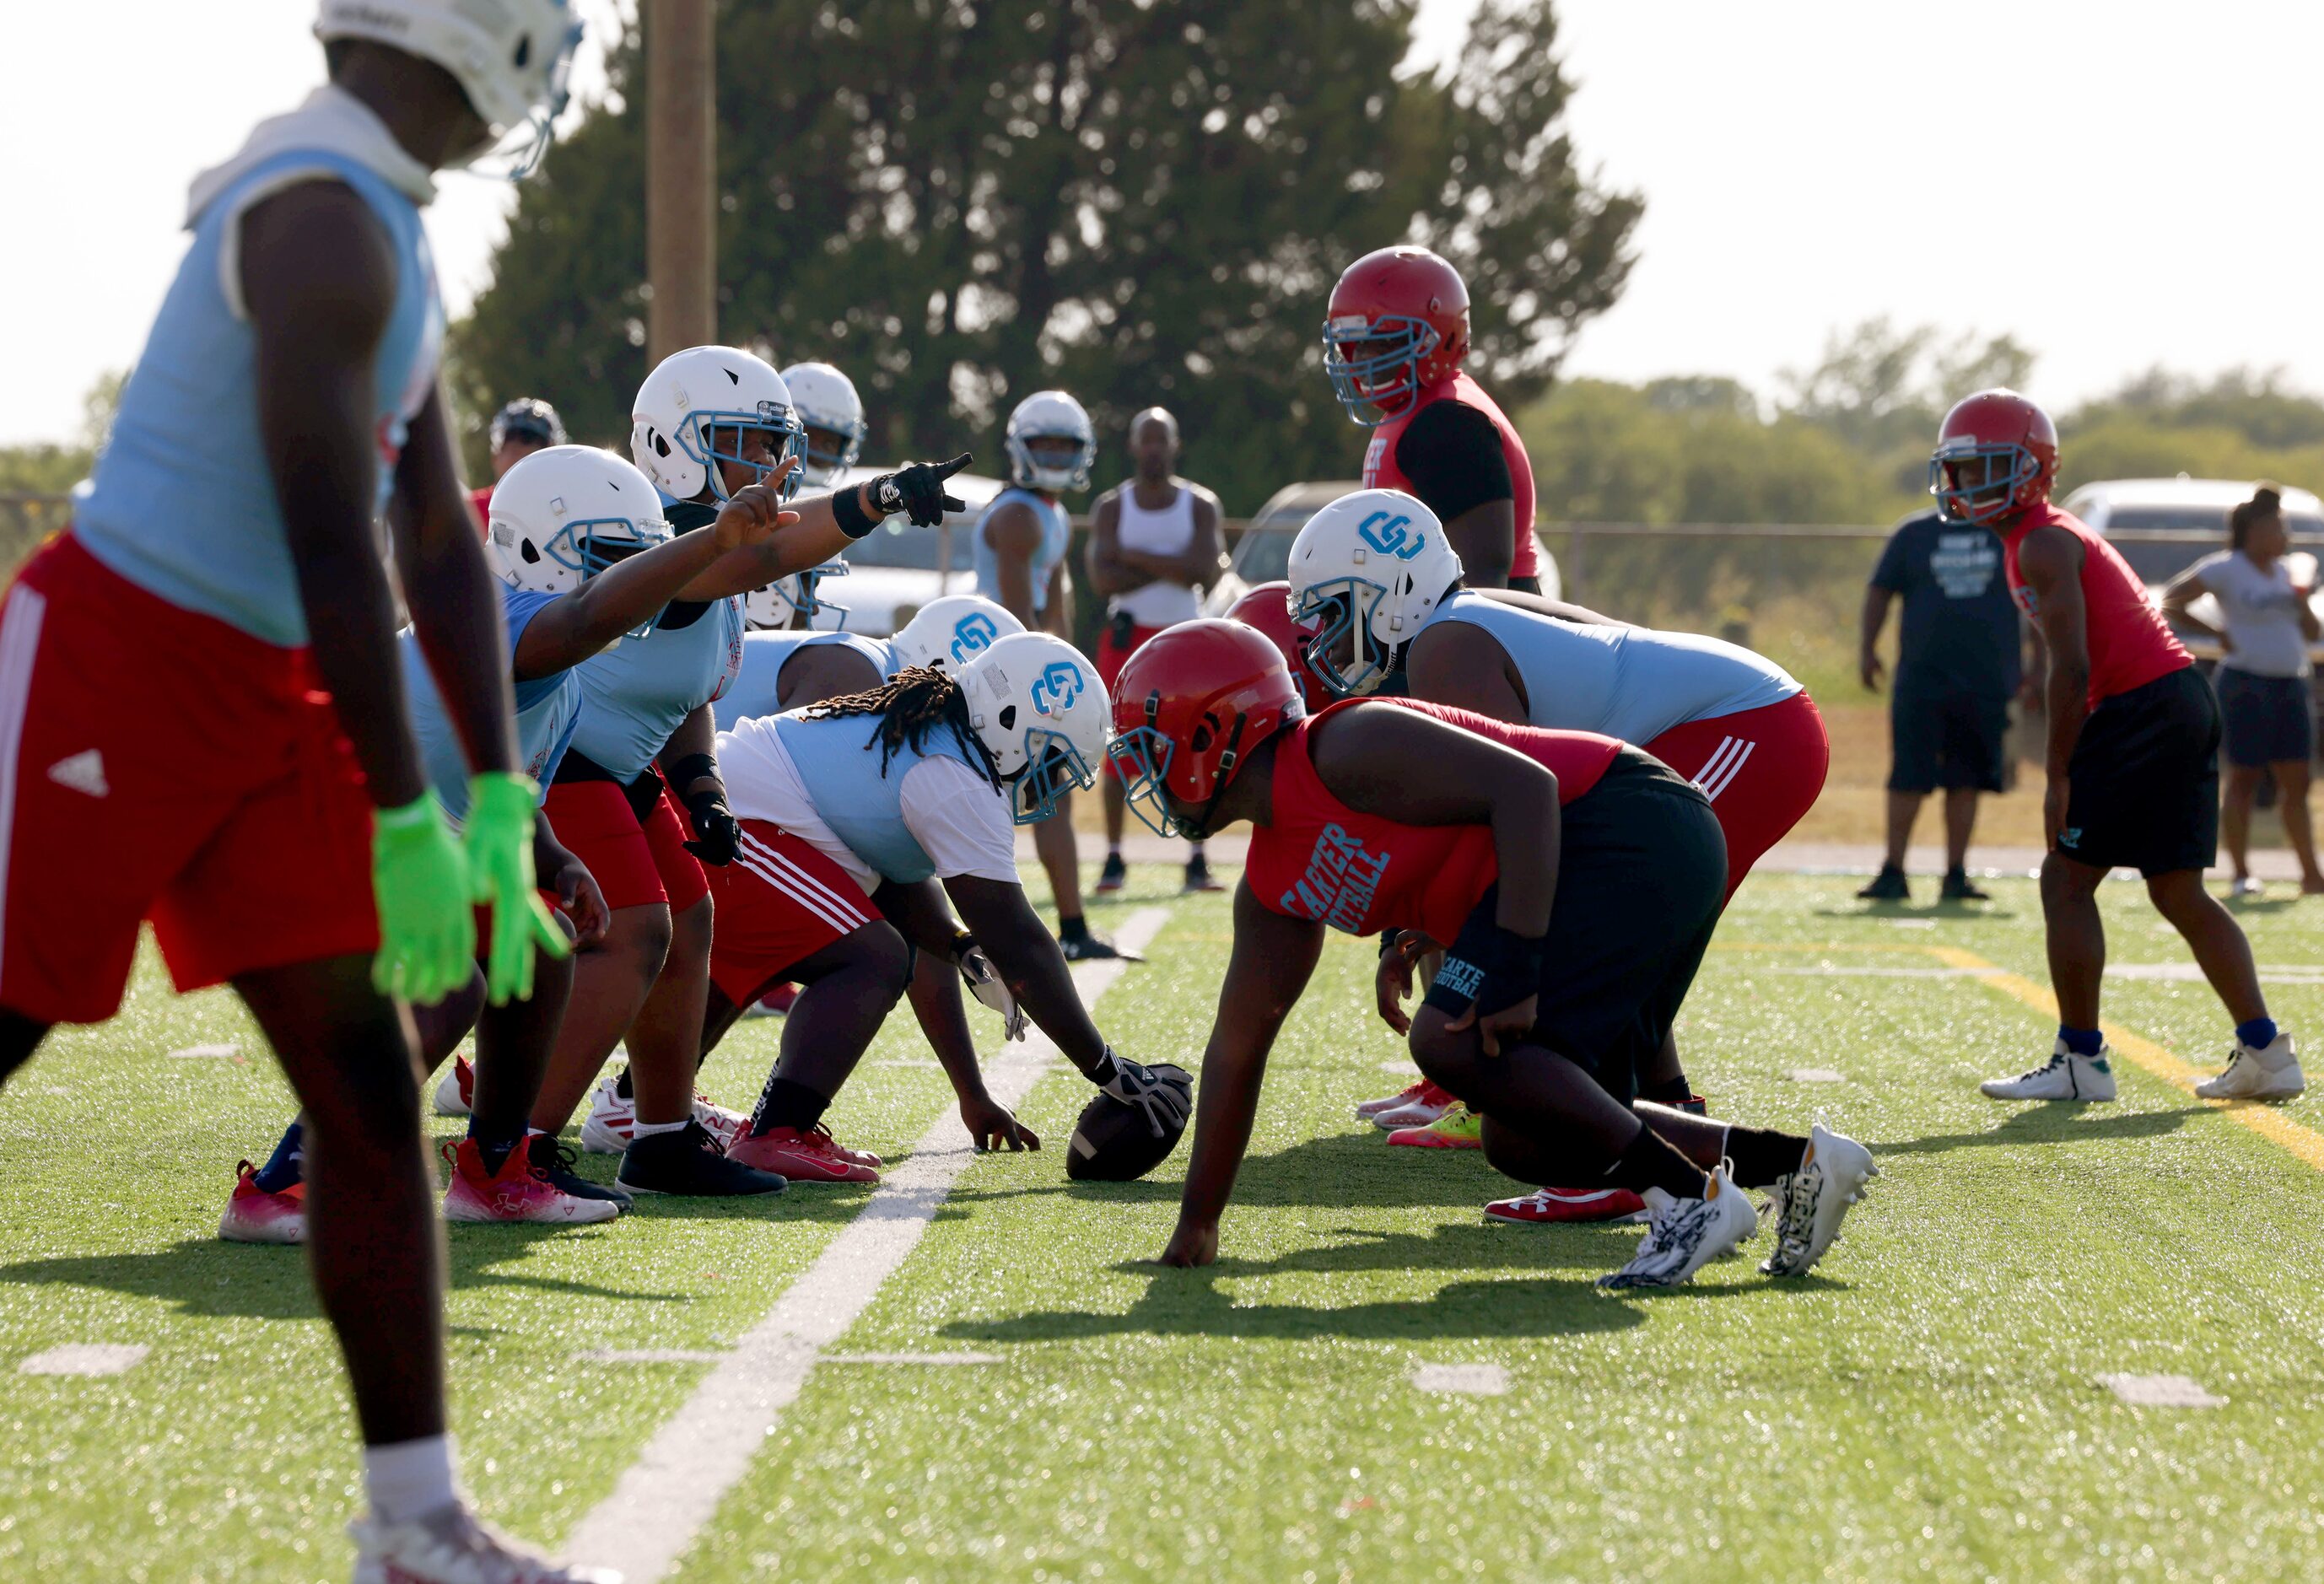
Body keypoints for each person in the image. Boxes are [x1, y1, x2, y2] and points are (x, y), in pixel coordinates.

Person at [0, 3, 612, 1577]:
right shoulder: (326, 221)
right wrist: (409, 810)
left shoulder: (378, 216)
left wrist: (494, 794)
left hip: (258, 683)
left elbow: (441, 536)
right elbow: (335, 531)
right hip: (114, 661)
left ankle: (415, 1521)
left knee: (357, 1083)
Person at [1108, 622, 1875, 1286]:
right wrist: (1197, 1226)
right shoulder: (1270, 884)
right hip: (1614, 853)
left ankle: (1687, 1203)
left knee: (1443, 1040)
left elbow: (1529, 792)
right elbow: (1236, 1052)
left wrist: (1510, 958)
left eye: (1149, 749)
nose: (1143, 776)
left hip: (1633, 824)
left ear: (1210, 732)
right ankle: (1794, 1165)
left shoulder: (1344, 742)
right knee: (1523, 1136)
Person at [228, 444, 797, 1240]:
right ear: (533, 544)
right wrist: (705, 544)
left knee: (538, 946)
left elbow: (503, 776)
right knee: (449, 980)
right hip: (326, 823)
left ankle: (497, 1170)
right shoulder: (520, 621)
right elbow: (586, 615)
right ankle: (285, 1183)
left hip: (409, 826)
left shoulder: (545, 662)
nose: (624, 581)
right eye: (607, 557)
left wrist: (554, 856)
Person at [1283, 489, 1826, 1216]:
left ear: (1389, 594)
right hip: (1733, 722)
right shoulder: (1464, 618)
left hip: (1746, 729)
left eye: (1334, 608)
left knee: (1617, 924)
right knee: (1619, 927)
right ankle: (1668, 1115)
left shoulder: (1446, 646)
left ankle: (1627, 1164)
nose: (1324, 634)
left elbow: (1513, 803)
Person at [532, 345, 978, 1193]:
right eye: (738, 439)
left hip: (623, 765)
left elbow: (682, 688)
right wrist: (876, 496)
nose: (763, 462)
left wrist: (699, 783)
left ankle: (661, 1136)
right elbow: (760, 557)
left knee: (690, 920)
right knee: (635, 938)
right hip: (563, 764)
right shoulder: (658, 538)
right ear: (671, 443)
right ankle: (518, 1143)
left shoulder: (720, 553)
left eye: (772, 443)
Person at [1935, 391, 2304, 1102]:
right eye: (1958, 469)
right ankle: (2265, 1051)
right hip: (2175, 698)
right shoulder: (2039, 535)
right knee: (2176, 889)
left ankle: (2080, 1061)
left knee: (2065, 880)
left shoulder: (2040, 542)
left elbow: (2071, 668)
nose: (1963, 484)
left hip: (2141, 706)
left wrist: (2057, 774)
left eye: (1982, 467)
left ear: (2030, 469)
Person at [705, 633, 1183, 1177]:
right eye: (1051, 761)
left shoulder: (933, 736)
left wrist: (961, 952)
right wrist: (1108, 1071)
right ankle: (775, 1133)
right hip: (730, 821)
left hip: (723, 811)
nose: (1049, 782)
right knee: (871, 958)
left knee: (804, 954)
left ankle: (647, 1107)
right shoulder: (959, 775)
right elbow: (1019, 942)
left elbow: (902, 896)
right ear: (1010, 722)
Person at [975, 388, 1128, 959]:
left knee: (1049, 798)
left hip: (1025, 667)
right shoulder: (1017, 515)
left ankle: (1068, 927)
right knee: (994, 805)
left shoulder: (1049, 511)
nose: (1058, 457)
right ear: (1020, 447)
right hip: (999, 674)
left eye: (1068, 447)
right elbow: (1021, 620)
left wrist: (1065, 674)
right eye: (1047, 446)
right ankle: (1042, 930)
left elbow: (1056, 606)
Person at [1321, 245, 1544, 592]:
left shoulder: (1448, 423)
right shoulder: (1416, 410)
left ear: (1438, 335)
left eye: (1381, 341)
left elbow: (1481, 583)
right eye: (1356, 344)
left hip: (1486, 634)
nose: (1364, 357)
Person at [1857, 506, 2036, 902]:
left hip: (1986, 680)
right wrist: (1867, 649)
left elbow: (2034, 599)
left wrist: (2036, 666)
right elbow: (1880, 590)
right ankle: (1893, 870)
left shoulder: (2009, 533)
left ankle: (1956, 874)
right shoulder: (1913, 533)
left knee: (1967, 779)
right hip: (1922, 679)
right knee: (1908, 775)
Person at [1087, 407, 1231, 896]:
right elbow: (1101, 579)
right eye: (1144, 440)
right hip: (1126, 640)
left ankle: (1196, 857)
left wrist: (1130, 556)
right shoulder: (1112, 506)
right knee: (1118, 746)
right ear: (1132, 446)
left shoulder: (1199, 504)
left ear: (1175, 445)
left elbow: (1205, 568)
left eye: (1160, 440)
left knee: (1193, 744)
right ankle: (1112, 859)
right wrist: (1174, 566)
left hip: (1184, 639)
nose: (1152, 449)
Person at [2161, 484, 2324, 897]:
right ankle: (2240, 873)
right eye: (2278, 528)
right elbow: (2171, 601)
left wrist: (2301, 600)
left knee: (2298, 782)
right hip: (2245, 684)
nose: (2285, 537)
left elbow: (2312, 632)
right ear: (2254, 530)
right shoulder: (2224, 568)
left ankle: (2310, 874)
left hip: (2291, 682)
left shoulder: (2291, 571)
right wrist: (2217, 633)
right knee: (2245, 778)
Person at [472, 395, 565, 524]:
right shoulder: (467, 511)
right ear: (495, 456)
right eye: (515, 451)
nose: (522, 464)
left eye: (534, 456)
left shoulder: (562, 517)